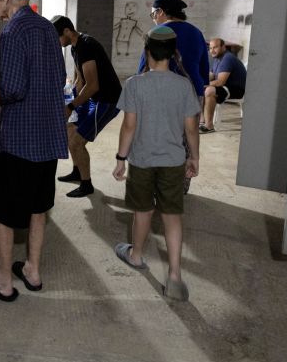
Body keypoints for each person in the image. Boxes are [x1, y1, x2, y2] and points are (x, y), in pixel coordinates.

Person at [0, 0, 68, 301]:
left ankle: (2, 280)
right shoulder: (46, 28)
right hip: (48, 138)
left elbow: (13, 88)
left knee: (3, 214)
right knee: (38, 209)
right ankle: (32, 271)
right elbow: (59, 78)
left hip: (21, 140)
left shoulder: (12, 30)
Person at [113, 26, 200, 301]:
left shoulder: (135, 84)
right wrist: (194, 157)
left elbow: (128, 126)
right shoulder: (183, 85)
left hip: (142, 160)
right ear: (174, 54)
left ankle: (136, 256)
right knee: (172, 216)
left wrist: (120, 159)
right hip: (173, 162)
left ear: (147, 51)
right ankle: (175, 276)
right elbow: (191, 129)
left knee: (142, 212)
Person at [53, 15, 122, 197]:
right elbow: (80, 80)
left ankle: (86, 184)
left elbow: (92, 86)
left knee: (77, 142)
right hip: (94, 98)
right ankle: (77, 171)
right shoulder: (75, 47)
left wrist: (71, 107)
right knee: (70, 131)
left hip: (107, 100)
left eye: (58, 37)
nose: (57, 42)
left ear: (67, 32)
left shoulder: (87, 45)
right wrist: (70, 103)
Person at [139, 0, 209, 95]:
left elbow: (144, 67)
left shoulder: (156, 32)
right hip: (194, 91)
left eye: (153, 15)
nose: (154, 20)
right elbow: (204, 67)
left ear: (160, 11)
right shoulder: (197, 32)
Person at [200, 37, 247, 133]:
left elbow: (220, 82)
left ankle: (209, 126)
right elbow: (212, 75)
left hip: (237, 89)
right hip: (226, 87)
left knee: (209, 90)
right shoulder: (218, 59)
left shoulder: (227, 58)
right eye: (210, 48)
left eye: (215, 47)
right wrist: (200, 81)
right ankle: (202, 121)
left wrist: (204, 85)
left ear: (223, 47)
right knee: (200, 88)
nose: (212, 51)